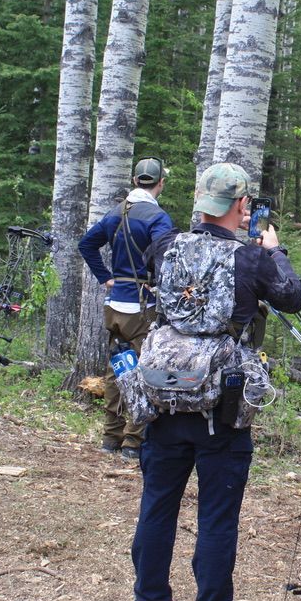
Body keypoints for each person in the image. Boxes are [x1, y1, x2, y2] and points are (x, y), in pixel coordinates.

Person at [131, 162, 301, 601]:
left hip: (163, 395)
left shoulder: (165, 246)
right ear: (242, 206)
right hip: (220, 407)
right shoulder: (251, 258)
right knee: (216, 516)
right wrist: (277, 252)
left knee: (157, 505)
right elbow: (291, 298)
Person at [78, 157, 174, 458]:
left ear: (135, 181)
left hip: (114, 303)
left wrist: (106, 278)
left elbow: (86, 245)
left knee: (116, 369)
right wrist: (159, 283)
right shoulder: (158, 218)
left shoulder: (115, 213)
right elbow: (165, 256)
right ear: (160, 183)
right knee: (143, 369)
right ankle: (134, 440)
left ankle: (110, 436)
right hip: (141, 306)